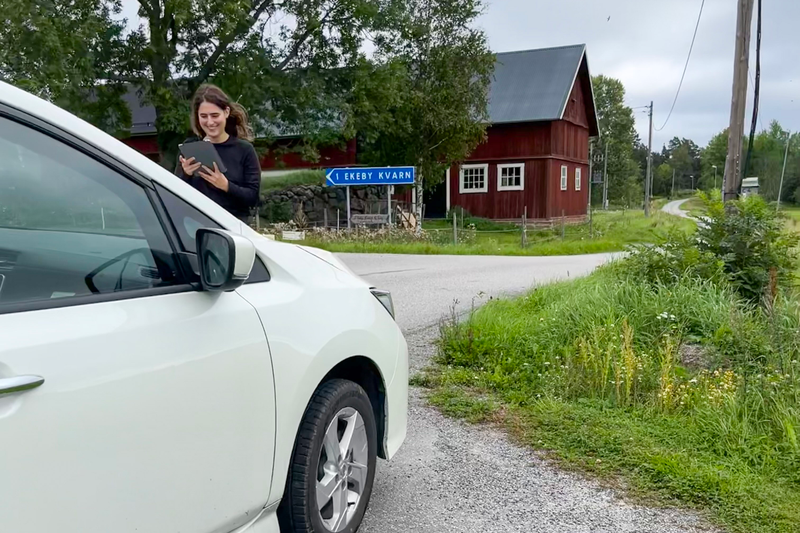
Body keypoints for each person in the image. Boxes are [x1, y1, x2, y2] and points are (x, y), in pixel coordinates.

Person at [176, 84, 261, 223]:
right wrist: (186, 174)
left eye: (215, 115)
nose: (210, 122)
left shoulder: (244, 150)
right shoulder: (189, 149)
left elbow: (253, 198)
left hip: (233, 225)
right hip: (197, 225)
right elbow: (174, 194)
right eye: (203, 116)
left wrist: (226, 185)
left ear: (226, 112)